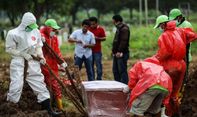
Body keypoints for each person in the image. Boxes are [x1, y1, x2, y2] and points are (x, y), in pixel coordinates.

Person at [5, 12, 60, 116]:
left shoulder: (35, 31)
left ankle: (49, 110)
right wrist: (22, 54)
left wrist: (41, 56)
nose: (32, 28)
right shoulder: (13, 33)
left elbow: (38, 46)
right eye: (30, 26)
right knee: (16, 84)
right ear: (24, 24)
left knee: (39, 82)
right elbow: (9, 49)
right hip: (18, 61)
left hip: (33, 61)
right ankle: (11, 108)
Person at [154, 15, 197, 116]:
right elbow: (193, 35)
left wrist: (157, 58)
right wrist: (182, 42)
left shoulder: (163, 36)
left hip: (170, 66)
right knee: (175, 92)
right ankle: (176, 112)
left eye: (160, 26)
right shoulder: (180, 30)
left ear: (164, 24)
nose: (160, 28)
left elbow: (165, 53)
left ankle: (167, 114)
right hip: (182, 65)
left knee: (166, 91)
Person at [40, 19, 67, 110]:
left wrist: (61, 62)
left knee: (55, 85)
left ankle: (59, 107)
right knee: (48, 84)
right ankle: (49, 106)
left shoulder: (54, 37)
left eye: (55, 30)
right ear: (48, 28)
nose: (54, 32)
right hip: (43, 64)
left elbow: (56, 51)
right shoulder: (40, 35)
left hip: (53, 64)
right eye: (53, 30)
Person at [112, 15, 130, 84]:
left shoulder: (124, 28)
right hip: (117, 53)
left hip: (121, 53)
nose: (112, 21)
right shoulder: (119, 28)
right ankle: (117, 85)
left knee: (122, 71)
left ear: (116, 20)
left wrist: (119, 51)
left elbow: (124, 41)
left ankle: (124, 85)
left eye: (113, 19)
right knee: (115, 70)